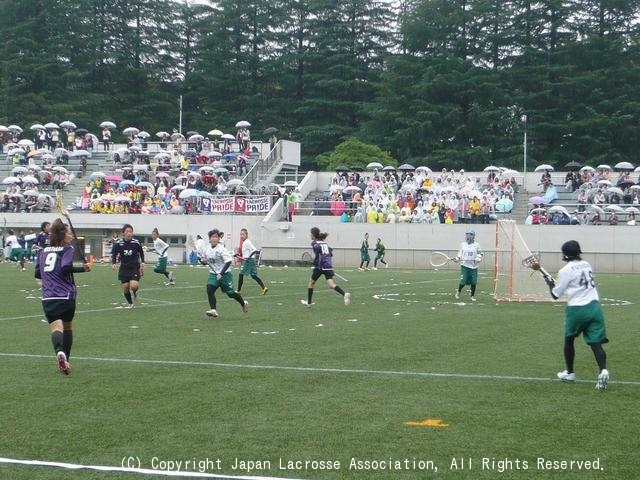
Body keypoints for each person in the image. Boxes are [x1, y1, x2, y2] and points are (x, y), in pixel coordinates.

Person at [543, 240, 610, 390]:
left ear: (565, 254)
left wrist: (549, 282)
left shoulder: (565, 270)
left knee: (569, 339)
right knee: (595, 343)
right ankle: (603, 370)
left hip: (577, 309)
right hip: (594, 307)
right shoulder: (587, 264)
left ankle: (570, 372)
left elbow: (555, 295)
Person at [34, 218, 91, 375]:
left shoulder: (43, 251)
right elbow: (66, 267)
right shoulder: (67, 249)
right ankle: (66, 359)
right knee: (67, 327)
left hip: (48, 297)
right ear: (63, 235)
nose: (71, 235)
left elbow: (38, 273)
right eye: (69, 233)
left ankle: (59, 352)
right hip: (66, 296)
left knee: (55, 328)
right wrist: (83, 269)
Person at [203, 229, 248, 317]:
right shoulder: (207, 249)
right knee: (209, 289)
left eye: (216, 237)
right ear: (210, 239)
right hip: (213, 274)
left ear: (219, 239)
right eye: (213, 237)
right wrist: (203, 261)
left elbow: (228, 262)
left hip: (225, 274)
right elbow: (205, 260)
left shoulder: (221, 249)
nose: (215, 239)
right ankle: (213, 310)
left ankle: (243, 303)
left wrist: (221, 273)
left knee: (230, 293)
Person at [301, 227, 350, 307]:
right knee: (331, 285)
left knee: (311, 283)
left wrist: (315, 265)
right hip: (328, 266)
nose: (310, 235)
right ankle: (344, 294)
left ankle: (309, 303)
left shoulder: (314, 243)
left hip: (320, 266)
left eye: (310, 234)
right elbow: (330, 252)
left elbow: (318, 255)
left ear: (313, 235)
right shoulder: (324, 243)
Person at [111, 223, 145, 308]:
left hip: (134, 267)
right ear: (123, 233)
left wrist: (143, 262)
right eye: (127, 231)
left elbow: (141, 252)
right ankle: (130, 303)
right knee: (125, 287)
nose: (129, 233)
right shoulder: (119, 244)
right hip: (124, 268)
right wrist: (114, 263)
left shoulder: (136, 243)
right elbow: (114, 254)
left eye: (131, 231)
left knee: (133, 286)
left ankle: (135, 292)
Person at [236, 228, 267, 295]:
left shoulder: (247, 242)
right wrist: (238, 255)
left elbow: (254, 250)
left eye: (243, 234)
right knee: (253, 276)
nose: (241, 236)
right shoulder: (244, 242)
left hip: (248, 261)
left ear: (246, 235)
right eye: (241, 234)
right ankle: (264, 288)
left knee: (241, 274)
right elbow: (246, 253)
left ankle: (238, 291)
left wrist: (249, 257)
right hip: (249, 260)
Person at [454, 229, 483, 301]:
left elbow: (480, 253)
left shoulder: (477, 245)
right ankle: (458, 292)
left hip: (473, 266)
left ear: (473, 236)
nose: (468, 236)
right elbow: (460, 254)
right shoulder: (462, 244)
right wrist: (457, 258)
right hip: (464, 266)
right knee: (463, 281)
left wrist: (478, 258)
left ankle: (472, 296)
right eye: (467, 235)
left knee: (473, 282)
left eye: (469, 235)